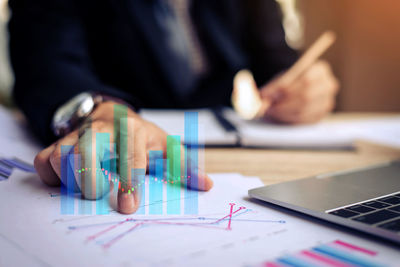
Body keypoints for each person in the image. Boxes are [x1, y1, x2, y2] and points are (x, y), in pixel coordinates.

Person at [8, 0, 339, 214]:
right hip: (119, 145)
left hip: (222, 156)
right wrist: (95, 110)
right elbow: (46, 61)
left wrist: (304, 88)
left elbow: (277, 60)